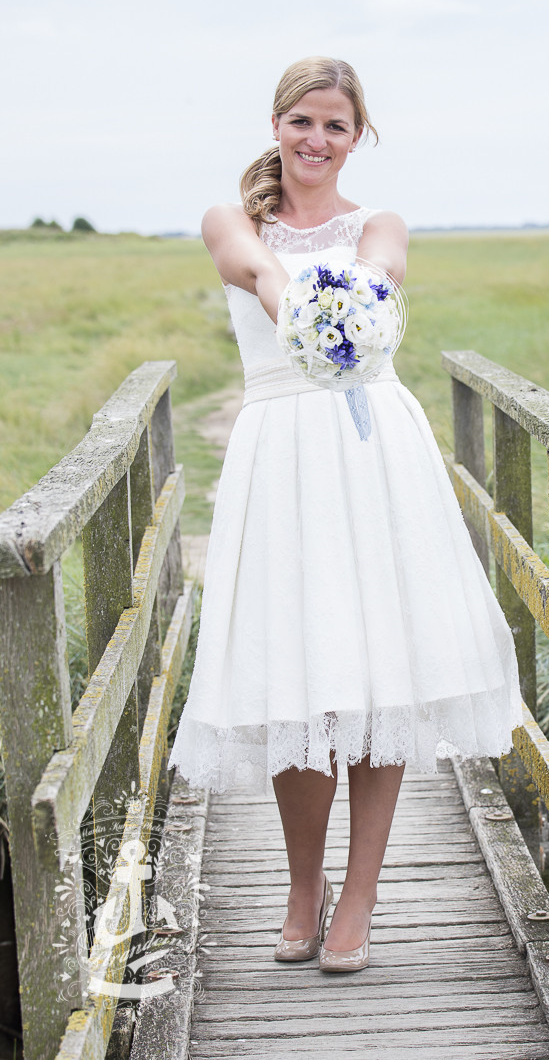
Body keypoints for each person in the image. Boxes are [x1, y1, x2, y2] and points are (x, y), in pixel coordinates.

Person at [167, 56, 523, 973]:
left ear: (357, 135)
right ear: (276, 124)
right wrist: (307, 313)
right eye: (301, 121)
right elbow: (253, 270)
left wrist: (350, 308)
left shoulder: (382, 224)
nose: (316, 140)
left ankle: (359, 892)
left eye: (335, 125)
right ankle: (301, 884)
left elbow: (380, 271)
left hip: (373, 458)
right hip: (280, 451)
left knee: (377, 675)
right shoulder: (230, 221)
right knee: (297, 673)